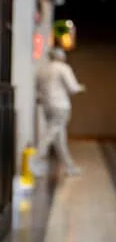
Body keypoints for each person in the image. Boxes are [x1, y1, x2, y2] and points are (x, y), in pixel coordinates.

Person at [35, 47, 84, 176]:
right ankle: (34, 161)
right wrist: (80, 87)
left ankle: (69, 167)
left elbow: (38, 91)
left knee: (59, 137)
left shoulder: (42, 69)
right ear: (61, 57)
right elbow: (72, 88)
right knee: (50, 134)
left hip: (47, 105)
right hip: (60, 105)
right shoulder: (63, 68)